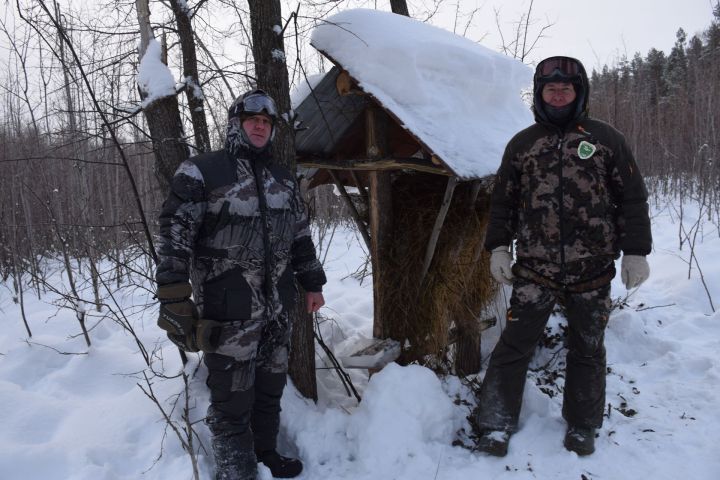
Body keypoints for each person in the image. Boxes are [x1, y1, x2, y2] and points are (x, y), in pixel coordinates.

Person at [474, 56, 652, 457]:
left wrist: (635, 252)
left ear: (579, 92)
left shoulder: (607, 139)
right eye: (550, 88)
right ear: (539, 94)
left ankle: (582, 425)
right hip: (535, 270)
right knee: (513, 346)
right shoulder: (522, 144)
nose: (558, 93)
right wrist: (498, 247)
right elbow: (503, 201)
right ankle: (495, 424)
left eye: (565, 88)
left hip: (592, 269)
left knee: (587, 348)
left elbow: (632, 198)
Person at [155, 89, 327, 479]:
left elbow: (300, 236)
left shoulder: (283, 180)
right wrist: (174, 297)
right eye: (253, 120)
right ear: (236, 124)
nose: (260, 127)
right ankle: (238, 471)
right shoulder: (201, 171)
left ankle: (265, 453)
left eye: (266, 122)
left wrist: (312, 282)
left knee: (269, 390)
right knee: (231, 399)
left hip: (279, 306)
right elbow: (175, 234)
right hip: (228, 308)